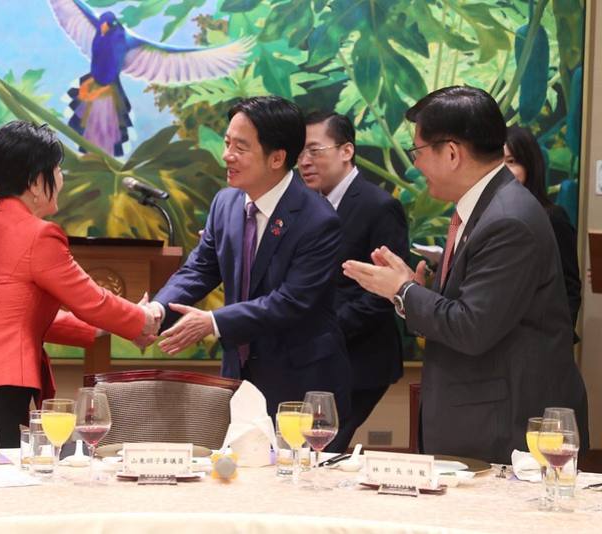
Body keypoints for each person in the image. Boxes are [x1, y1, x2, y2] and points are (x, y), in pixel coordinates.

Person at [342, 86, 588, 463]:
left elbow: (472, 327)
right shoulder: (486, 207)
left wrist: (404, 291)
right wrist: (415, 290)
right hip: (481, 417)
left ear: (452, 153)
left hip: (504, 427)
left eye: (418, 152)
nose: (415, 165)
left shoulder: (507, 219)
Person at [0, 120, 159, 447]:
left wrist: (103, 329)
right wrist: (144, 320)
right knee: (0, 488)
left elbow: (19, 315)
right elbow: (91, 299)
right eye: (57, 169)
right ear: (36, 182)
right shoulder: (39, 235)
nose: (61, 178)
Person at [143, 96, 352, 420]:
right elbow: (200, 268)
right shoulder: (225, 203)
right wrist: (158, 308)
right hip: (238, 376)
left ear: (277, 157)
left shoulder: (317, 219)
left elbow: (290, 302)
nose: (227, 156)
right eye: (227, 143)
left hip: (300, 382)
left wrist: (212, 322)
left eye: (240, 148)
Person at [298, 111, 409, 452]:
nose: (304, 162)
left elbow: (383, 293)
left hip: (358, 359)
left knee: (321, 447)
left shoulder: (380, 206)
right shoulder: (304, 206)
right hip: (313, 357)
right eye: (299, 153)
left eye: (314, 151)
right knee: (305, 451)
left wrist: (324, 334)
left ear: (346, 151)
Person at [504, 125, 581, 339]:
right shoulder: (485, 218)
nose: (503, 171)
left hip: (539, 346)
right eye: (496, 164)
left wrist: (557, 338)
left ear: (530, 165)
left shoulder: (552, 217)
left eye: (511, 162)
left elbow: (570, 288)